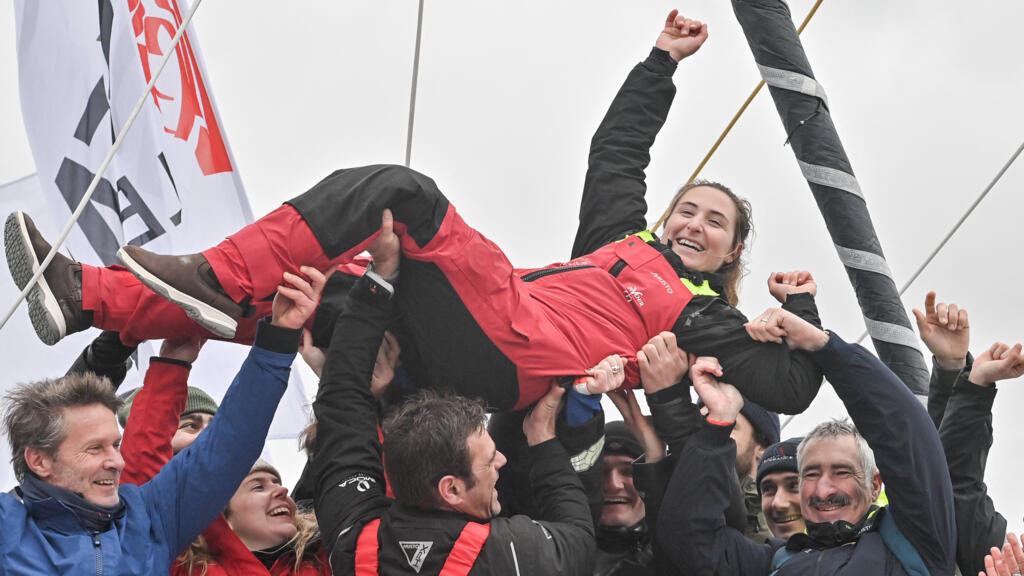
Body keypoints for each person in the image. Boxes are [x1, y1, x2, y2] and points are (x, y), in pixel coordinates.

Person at [5, 11, 822, 416]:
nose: (691, 224)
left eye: (713, 223)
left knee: (403, 193)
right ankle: (90, 300)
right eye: (688, 207)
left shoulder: (708, 318)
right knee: (316, 291)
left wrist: (800, 309)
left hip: (518, 355)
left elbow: (790, 388)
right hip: (480, 327)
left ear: (732, 252)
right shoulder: (620, 241)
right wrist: (661, 63)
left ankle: (215, 277)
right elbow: (616, 157)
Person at [309, 224, 605, 574]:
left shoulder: (355, 540)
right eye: (490, 459)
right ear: (451, 489)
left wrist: (379, 281)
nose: (503, 462)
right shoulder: (503, 556)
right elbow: (579, 540)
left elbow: (342, 404)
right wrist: (543, 441)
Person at [0, 267, 319, 574]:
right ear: (39, 460)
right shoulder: (8, 526)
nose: (117, 462)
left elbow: (229, 443)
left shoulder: (149, 518)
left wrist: (278, 337)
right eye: (95, 449)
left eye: (115, 445)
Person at [656, 307, 956, 575]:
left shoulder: (915, 543)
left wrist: (826, 348)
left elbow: (904, 435)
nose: (823, 490)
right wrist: (718, 424)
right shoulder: (774, 561)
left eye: (841, 472)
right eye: (810, 475)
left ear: (875, 484)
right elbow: (688, 536)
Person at [914, 291, 1024, 575]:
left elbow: (951, 483)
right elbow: (951, 484)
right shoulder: (1002, 559)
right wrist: (959, 374)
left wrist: (974, 384)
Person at [753, 437, 804, 539]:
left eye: (794, 486)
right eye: (768, 489)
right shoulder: (754, 554)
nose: (778, 504)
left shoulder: (844, 552)